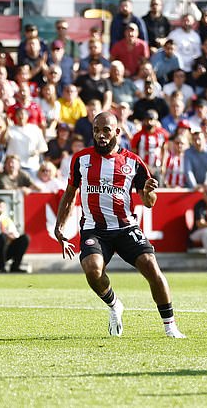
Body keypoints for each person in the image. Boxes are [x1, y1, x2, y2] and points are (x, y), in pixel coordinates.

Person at [53, 111, 185, 338]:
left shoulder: (133, 162)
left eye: (106, 130)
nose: (101, 135)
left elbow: (149, 202)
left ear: (117, 131)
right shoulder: (81, 159)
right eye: (96, 130)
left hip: (125, 227)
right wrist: (60, 227)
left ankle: (170, 326)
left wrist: (148, 192)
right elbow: (70, 194)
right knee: (93, 270)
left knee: (151, 267)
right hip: (94, 228)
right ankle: (114, 305)